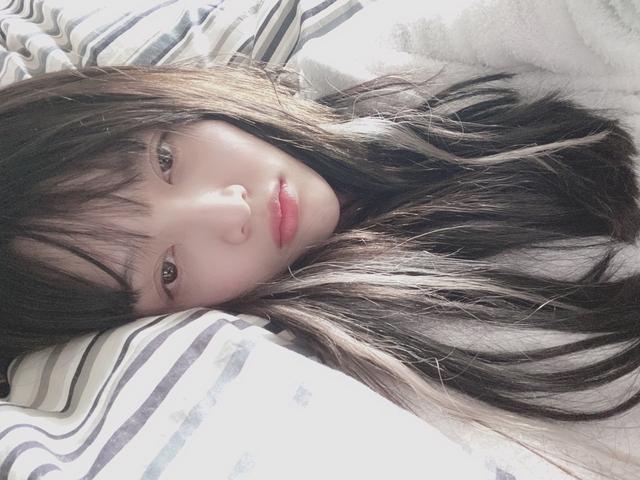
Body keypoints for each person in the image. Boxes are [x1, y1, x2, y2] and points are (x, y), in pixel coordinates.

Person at [1, 62, 639, 475]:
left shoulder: (386, 69)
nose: (231, 210)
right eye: (168, 271)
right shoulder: (384, 334)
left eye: (165, 160)